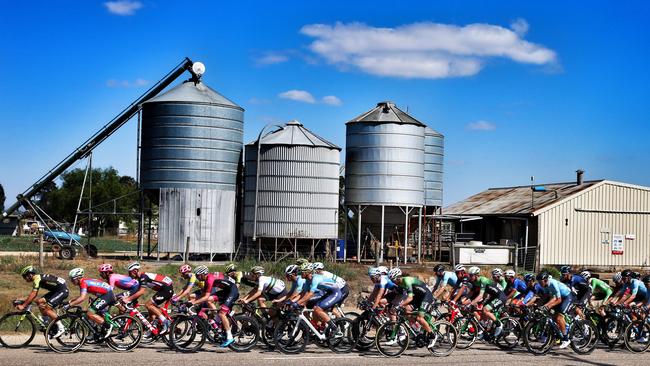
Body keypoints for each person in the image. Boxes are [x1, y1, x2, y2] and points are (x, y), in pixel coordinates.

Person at [388, 267, 439, 348]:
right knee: (406, 310)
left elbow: (410, 298)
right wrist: (393, 305)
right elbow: (402, 296)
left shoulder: (406, 281)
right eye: (391, 281)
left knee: (419, 318)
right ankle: (416, 329)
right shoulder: (400, 283)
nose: (393, 282)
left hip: (426, 296)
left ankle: (433, 335)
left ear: (398, 277)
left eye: (393, 280)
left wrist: (399, 305)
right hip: (418, 296)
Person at [190, 265, 239, 347]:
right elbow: (204, 294)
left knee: (222, 313)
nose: (197, 277)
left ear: (203, 274)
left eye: (197, 275)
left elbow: (204, 297)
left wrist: (193, 303)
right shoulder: (207, 279)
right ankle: (217, 319)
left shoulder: (209, 279)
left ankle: (230, 337)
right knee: (209, 299)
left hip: (232, 291)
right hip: (226, 291)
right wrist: (193, 301)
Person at [16, 265, 68, 338]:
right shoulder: (37, 278)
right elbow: (33, 296)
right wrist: (23, 300)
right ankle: (46, 322)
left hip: (61, 291)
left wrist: (23, 305)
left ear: (30, 274)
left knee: (47, 309)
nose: (25, 279)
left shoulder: (37, 278)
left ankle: (61, 327)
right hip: (56, 291)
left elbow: (33, 294)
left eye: (25, 276)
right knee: (39, 301)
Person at [121, 262, 174, 333]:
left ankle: (166, 322)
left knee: (148, 304)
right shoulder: (141, 277)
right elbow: (137, 291)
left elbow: (141, 292)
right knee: (151, 311)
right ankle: (153, 328)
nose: (129, 275)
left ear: (135, 271)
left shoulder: (143, 277)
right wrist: (130, 299)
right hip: (164, 288)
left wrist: (128, 299)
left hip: (166, 289)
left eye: (130, 273)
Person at [67, 268, 116, 338]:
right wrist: (69, 302)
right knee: (92, 312)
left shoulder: (83, 283)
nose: (71, 281)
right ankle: (98, 332)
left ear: (78, 278)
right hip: (105, 295)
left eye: (72, 279)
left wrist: (69, 305)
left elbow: (81, 298)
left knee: (90, 313)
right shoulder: (84, 281)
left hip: (107, 295)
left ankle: (108, 326)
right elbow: (80, 297)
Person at [295, 263, 342, 332]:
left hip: (335, 293)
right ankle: (319, 328)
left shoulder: (315, 279)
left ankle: (336, 330)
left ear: (307, 272)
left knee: (318, 310)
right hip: (329, 293)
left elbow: (310, 294)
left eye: (301, 271)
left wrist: (298, 303)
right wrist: (293, 302)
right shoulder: (308, 280)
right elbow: (302, 293)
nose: (299, 273)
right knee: (315, 309)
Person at [466, 267, 506, 338]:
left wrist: (471, 303)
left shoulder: (483, 280)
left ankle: (499, 324)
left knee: (485, 309)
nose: (470, 277)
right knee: (482, 311)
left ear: (476, 275)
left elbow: (480, 295)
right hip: (493, 296)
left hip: (500, 296)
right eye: (469, 275)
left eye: (471, 275)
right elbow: (479, 294)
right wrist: (464, 302)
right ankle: (484, 330)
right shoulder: (475, 282)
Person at [537, 271, 573, 349]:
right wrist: (538, 306)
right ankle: (561, 329)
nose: (539, 284)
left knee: (559, 317)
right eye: (538, 282)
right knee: (552, 315)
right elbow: (546, 297)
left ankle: (566, 339)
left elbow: (558, 300)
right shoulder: (545, 286)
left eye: (540, 282)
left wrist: (547, 306)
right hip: (560, 298)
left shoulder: (552, 283)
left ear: (545, 280)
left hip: (567, 297)